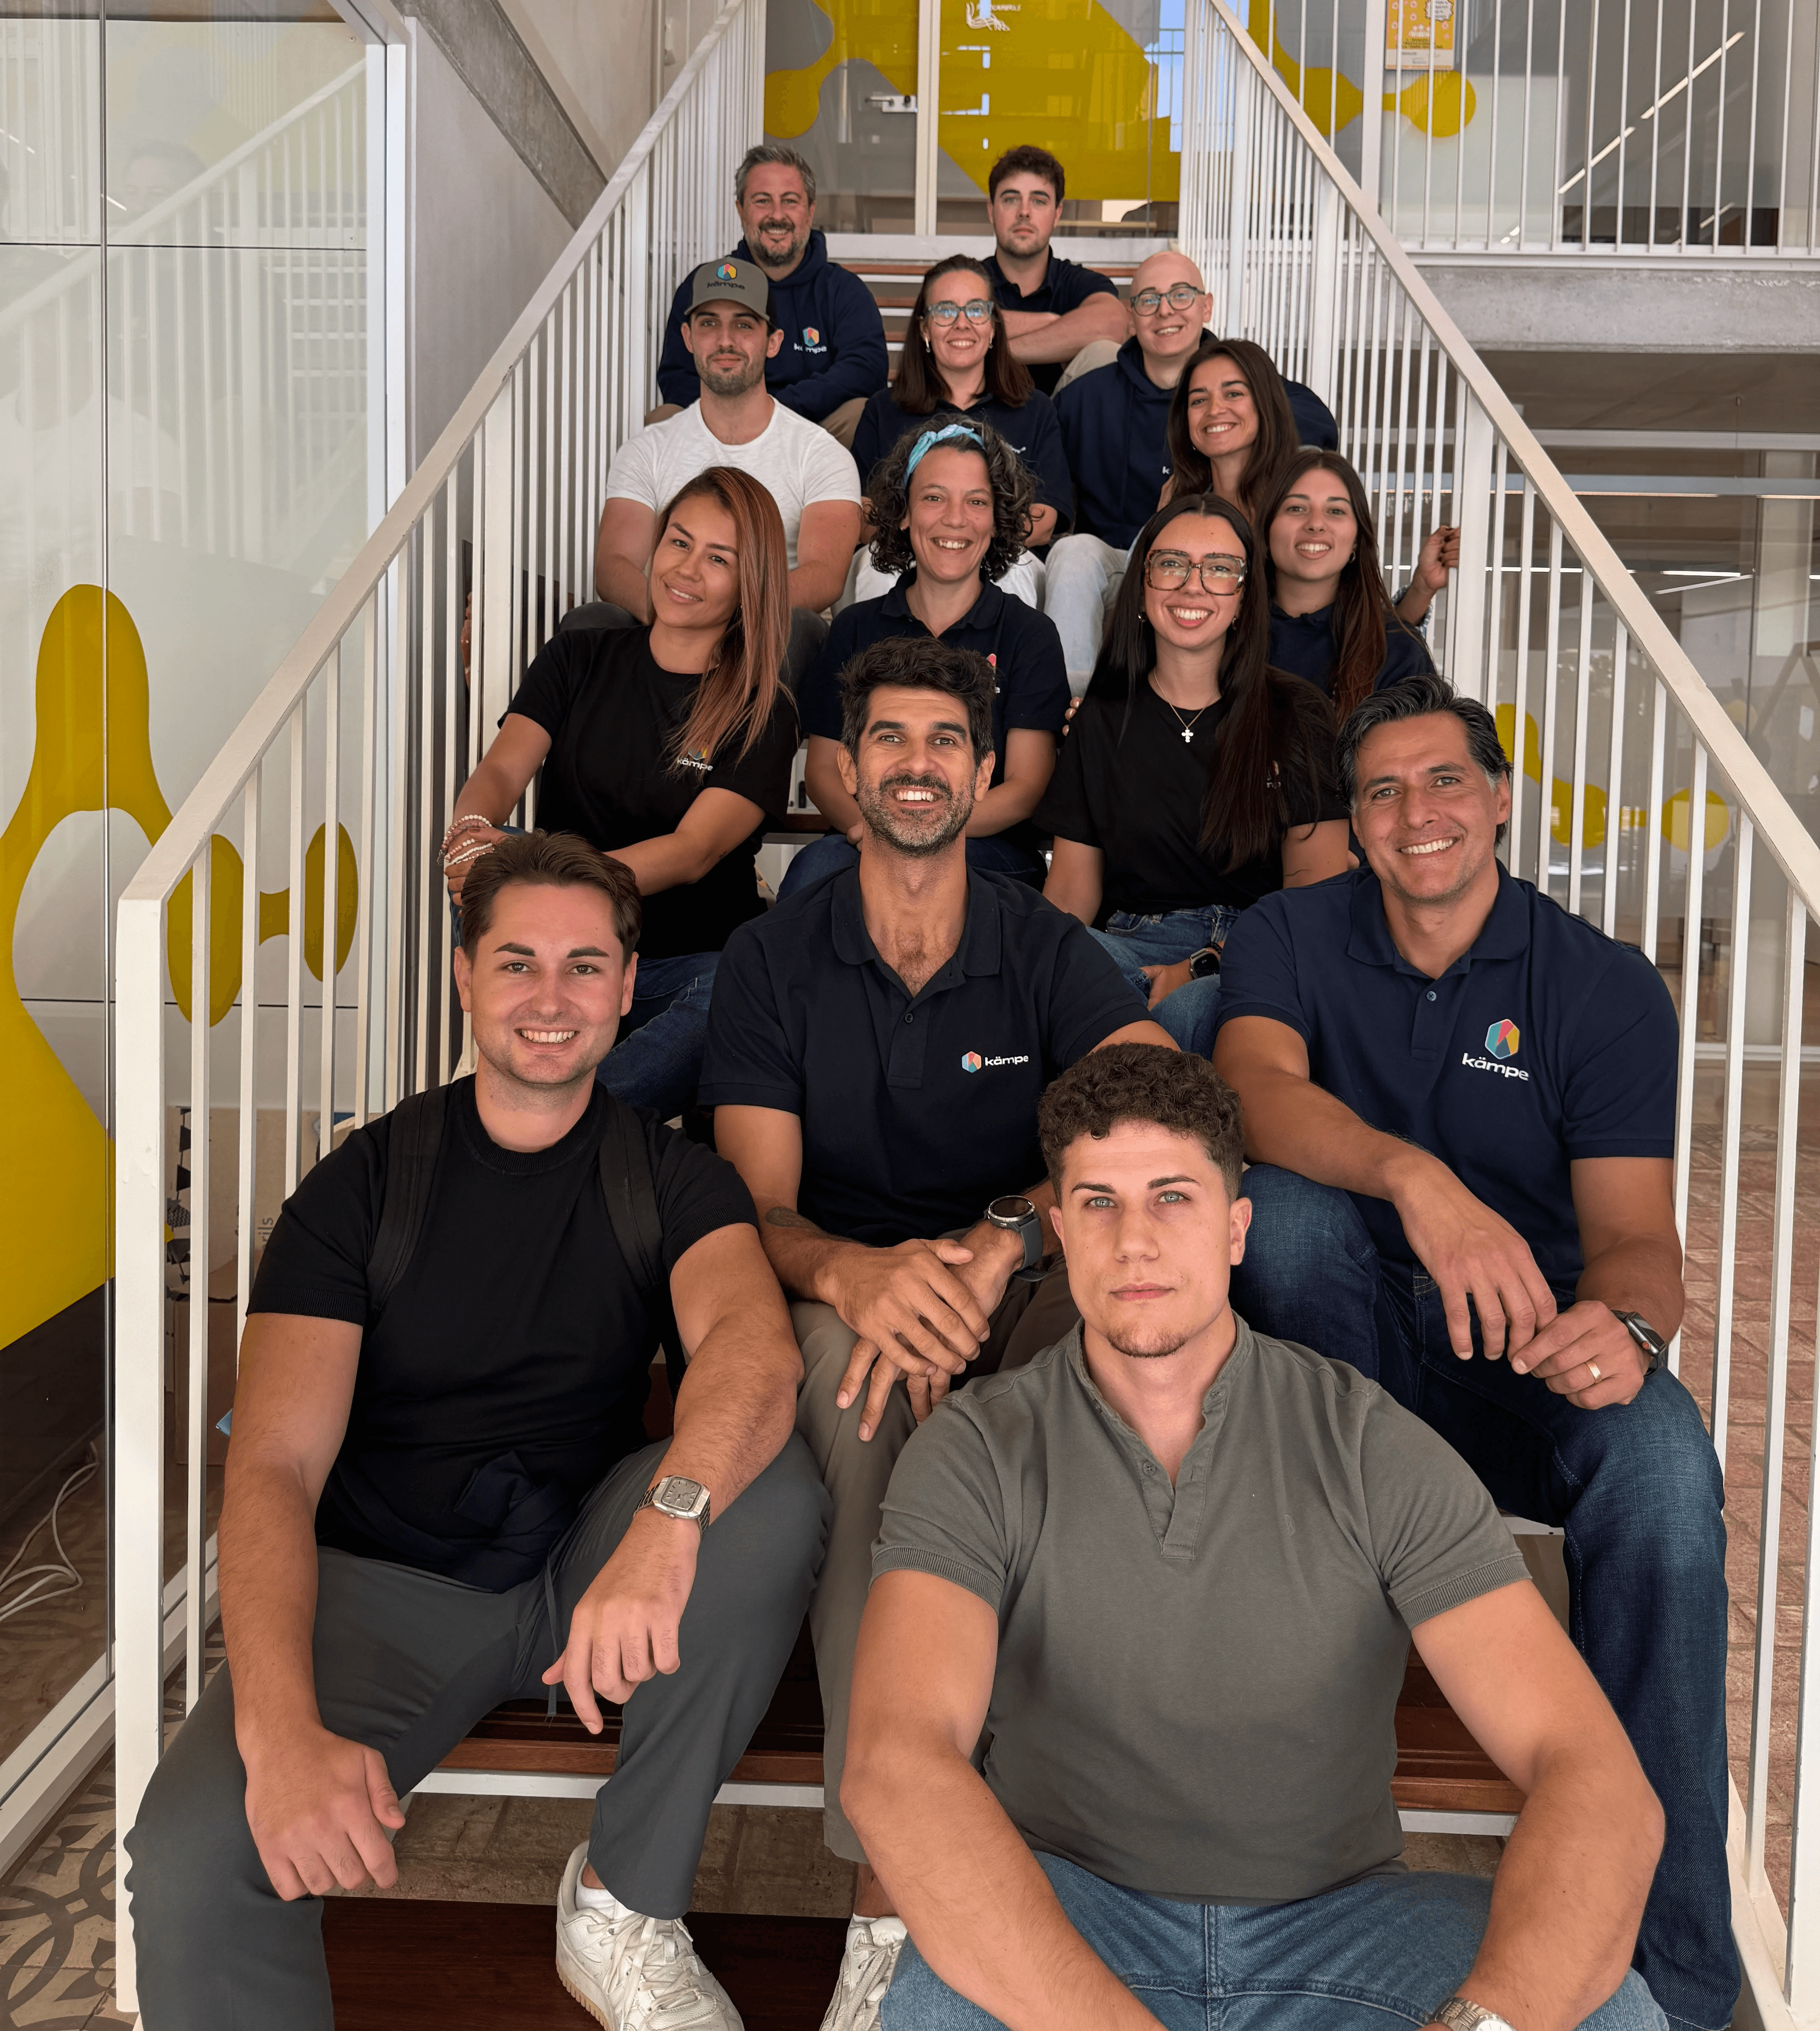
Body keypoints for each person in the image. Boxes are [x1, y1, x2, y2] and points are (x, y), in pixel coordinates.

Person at [124, 833, 831, 2031]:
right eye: (517, 964)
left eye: (582, 966)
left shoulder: (669, 1176)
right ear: (463, 977)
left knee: (764, 1490)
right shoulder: (361, 1184)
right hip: (391, 1580)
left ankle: (623, 1900)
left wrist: (664, 1530)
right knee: (197, 1851)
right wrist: (280, 1730)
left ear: (623, 983)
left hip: (588, 1570)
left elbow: (754, 1355)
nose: (550, 999)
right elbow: (276, 1466)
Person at [845, 1042, 1669, 2031]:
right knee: (932, 2009)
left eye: (1174, 1198)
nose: (1136, 1241)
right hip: (1075, 1914)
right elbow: (895, 1764)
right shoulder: (978, 1449)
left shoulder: (1370, 1444)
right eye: (1099, 1203)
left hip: (1340, 1926)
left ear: (1239, 1229)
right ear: (1057, 1231)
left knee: (1610, 2013)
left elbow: (1594, 1775)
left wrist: (1483, 2027)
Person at [1211, 675, 1733, 2031]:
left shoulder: (1604, 986)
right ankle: (1378, 1573)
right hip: (1336, 1365)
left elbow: (1636, 1245)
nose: (1414, 814)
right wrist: (1420, 1184)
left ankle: (1674, 1978)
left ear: (1499, 801)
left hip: (1518, 1360)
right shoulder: (1289, 931)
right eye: (1380, 791)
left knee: (1667, 1471)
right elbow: (1255, 1093)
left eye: (1444, 782)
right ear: (1355, 820)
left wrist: (1620, 1332)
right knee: (1295, 1229)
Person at [698, 636, 1173, 2031]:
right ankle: (891, 1892)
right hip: (831, 1285)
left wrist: (1008, 1237)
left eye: (943, 744)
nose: (915, 767)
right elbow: (755, 1209)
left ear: (983, 771)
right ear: (841, 773)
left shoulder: (1044, 948)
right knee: (869, 1401)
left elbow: (1139, 1115)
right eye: (888, 742)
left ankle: (1089, 1831)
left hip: (1008, 1281)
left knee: (1080, 1393)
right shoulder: (773, 956)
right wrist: (856, 1277)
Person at [447, 468, 799, 1119]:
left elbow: (691, 851)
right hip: (568, 947)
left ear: (750, 585)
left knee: (743, 987)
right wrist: (469, 834)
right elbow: (500, 773)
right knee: (491, 863)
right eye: (679, 542)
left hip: (685, 963)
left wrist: (560, 884)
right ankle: (545, 1095)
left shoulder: (762, 711)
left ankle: (552, 1116)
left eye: (717, 558)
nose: (686, 570)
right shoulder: (577, 656)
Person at [1039, 493, 1349, 1059]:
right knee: (1048, 956)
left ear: (1245, 598)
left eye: (1221, 569)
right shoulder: (1102, 717)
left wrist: (1206, 962)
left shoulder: (1295, 712)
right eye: (1172, 563)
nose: (1193, 585)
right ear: (1143, 584)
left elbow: (1316, 897)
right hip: (1123, 943)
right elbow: (1071, 895)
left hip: (1250, 948)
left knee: (1186, 1009)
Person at [782, 418, 1069, 899]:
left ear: (997, 518)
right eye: (934, 497)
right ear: (903, 513)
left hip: (985, 846)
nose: (954, 519)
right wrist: (871, 832)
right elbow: (824, 772)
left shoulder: (1029, 634)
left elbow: (1025, 787)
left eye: (976, 501)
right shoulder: (856, 627)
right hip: (863, 839)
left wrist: (925, 832)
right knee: (815, 874)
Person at [599, 257, 864, 663]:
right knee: (594, 620)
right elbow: (614, 566)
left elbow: (824, 577)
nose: (726, 340)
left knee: (802, 628)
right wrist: (676, 614)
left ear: (773, 342)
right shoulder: (648, 449)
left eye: (744, 324)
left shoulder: (821, 453)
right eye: (709, 323)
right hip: (668, 626)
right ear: (687, 337)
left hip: (767, 641)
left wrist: (728, 618)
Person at [1170, 339, 1453, 634]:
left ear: (1265, 405)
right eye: (1199, 400)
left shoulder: (1310, 513)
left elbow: (1367, 636)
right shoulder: (1179, 512)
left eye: (1233, 393)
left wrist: (1422, 587)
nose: (1215, 410)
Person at [850, 252, 1072, 594]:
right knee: (874, 562)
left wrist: (966, 539)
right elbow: (864, 516)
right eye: (945, 311)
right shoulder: (884, 409)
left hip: (1003, 556)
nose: (962, 323)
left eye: (976, 310)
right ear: (924, 327)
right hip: (908, 554)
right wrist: (934, 545)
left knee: (1015, 569)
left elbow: (1044, 520)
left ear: (994, 325)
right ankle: (886, 653)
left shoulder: (1035, 408)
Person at [654, 144, 887, 449]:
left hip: (812, 432)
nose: (777, 215)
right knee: (664, 419)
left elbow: (867, 369)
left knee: (861, 414)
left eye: (790, 201)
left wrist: (774, 410)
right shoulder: (706, 285)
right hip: (722, 430)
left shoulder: (843, 290)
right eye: (762, 201)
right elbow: (677, 376)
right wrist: (738, 413)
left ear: (810, 210)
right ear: (740, 210)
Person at [1261, 448, 1437, 712]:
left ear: (1356, 539)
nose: (1316, 524)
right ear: (1267, 528)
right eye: (1296, 508)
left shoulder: (1399, 651)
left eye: (1335, 511)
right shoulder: (1226, 633)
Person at [979, 145, 1131, 396]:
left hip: (1065, 424)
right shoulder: (968, 279)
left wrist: (997, 350)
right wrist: (1054, 323)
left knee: (1105, 353)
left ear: (1057, 214)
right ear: (991, 211)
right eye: (1011, 199)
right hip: (979, 421)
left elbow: (1113, 324)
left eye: (1039, 201)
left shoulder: (1077, 282)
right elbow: (951, 322)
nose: (1024, 212)